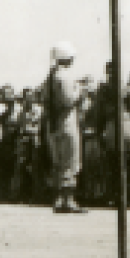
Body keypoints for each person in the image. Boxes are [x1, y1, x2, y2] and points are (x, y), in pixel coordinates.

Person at [43, 43, 85, 213]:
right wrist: (80, 92)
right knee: (70, 161)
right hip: (66, 122)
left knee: (58, 163)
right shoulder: (65, 76)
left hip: (52, 125)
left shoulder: (50, 77)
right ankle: (68, 200)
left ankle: (60, 199)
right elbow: (68, 100)